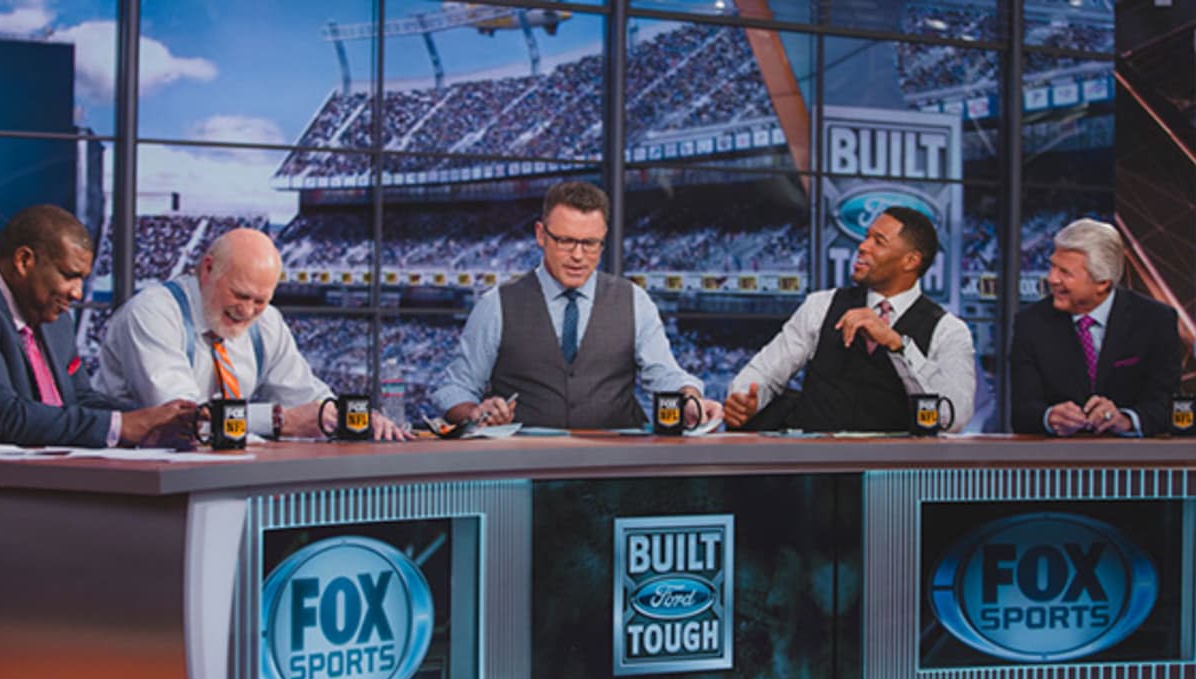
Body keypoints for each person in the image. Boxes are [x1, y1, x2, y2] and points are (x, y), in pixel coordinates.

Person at [433, 181, 722, 429]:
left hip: (615, 464)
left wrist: (689, 398)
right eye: (566, 241)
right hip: (525, 463)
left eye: (590, 243)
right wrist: (475, 412)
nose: (578, 256)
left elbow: (664, 375)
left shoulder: (635, 300)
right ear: (541, 235)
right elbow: (454, 388)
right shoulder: (496, 304)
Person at [0, 204, 195, 449]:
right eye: (69, 275)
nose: (77, 293)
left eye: (83, 279)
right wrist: (122, 426)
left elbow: (77, 399)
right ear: (24, 261)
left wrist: (155, 419)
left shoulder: (53, 316)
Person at [94, 228, 410, 441]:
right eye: (240, 295)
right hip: (136, 479)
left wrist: (348, 417)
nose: (247, 311)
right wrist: (279, 420)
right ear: (207, 269)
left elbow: (306, 396)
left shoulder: (267, 322)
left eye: (260, 300)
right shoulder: (153, 313)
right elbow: (183, 420)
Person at [725, 206, 975, 432]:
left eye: (879, 241)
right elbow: (763, 372)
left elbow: (955, 416)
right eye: (866, 237)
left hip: (892, 466)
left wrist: (899, 345)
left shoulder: (948, 330)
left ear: (910, 261)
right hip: (815, 462)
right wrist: (745, 399)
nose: (863, 246)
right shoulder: (820, 306)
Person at [1010, 218, 1181, 437]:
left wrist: (1126, 420)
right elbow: (1021, 411)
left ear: (1102, 283)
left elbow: (1167, 405)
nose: (1052, 279)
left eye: (1065, 272)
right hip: (1058, 455)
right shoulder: (1031, 324)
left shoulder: (1156, 321)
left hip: (1133, 455)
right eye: (1052, 266)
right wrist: (1049, 417)